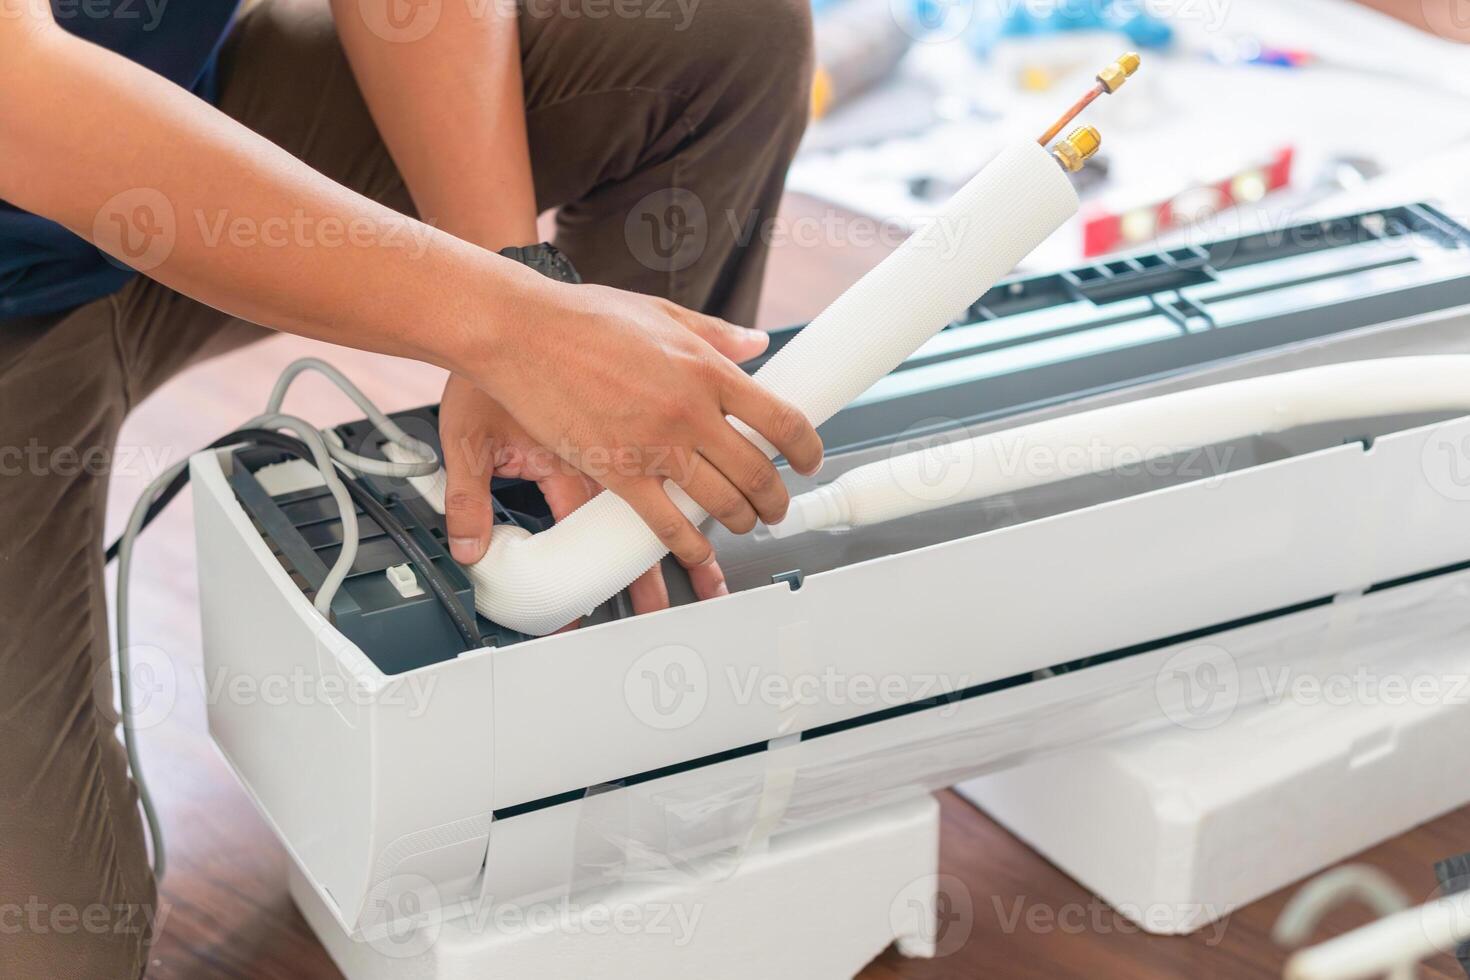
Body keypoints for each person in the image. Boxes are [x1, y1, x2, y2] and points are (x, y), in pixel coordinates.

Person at [0, 0, 822, 974]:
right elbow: (19, 97)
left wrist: (518, 282)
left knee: (716, 35)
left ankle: (617, 619)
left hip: (173, 139)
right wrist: (508, 325)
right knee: (61, 950)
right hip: (42, 160)